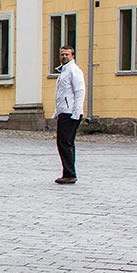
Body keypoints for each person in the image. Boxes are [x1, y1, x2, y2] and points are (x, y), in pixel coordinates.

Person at [53, 44, 85, 185]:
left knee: (65, 143)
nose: (64, 57)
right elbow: (62, 94)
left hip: (70, 112)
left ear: (73, 56)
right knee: (64, 143)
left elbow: (79, 91)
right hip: (64, 111)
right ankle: (68, 173)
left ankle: (70, 174)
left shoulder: (74, 71)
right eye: (62, 54)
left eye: (67, 54)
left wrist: (76, 112)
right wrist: (57, 111)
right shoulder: (63, 72)